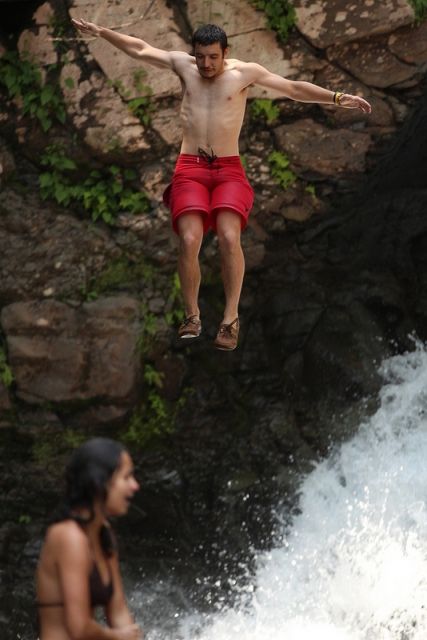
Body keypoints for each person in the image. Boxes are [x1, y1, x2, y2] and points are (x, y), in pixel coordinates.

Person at [71, 20, 372, 351]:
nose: (206, 64)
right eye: (200, 57)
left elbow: (293, 88)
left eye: (213, 57)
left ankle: (230, 318)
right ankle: (192, 314)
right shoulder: (183, 66)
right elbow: (140, 48)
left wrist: (337, 97)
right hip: (191, 167)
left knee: (230, 236)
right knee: (189, 239)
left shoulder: (244, 73)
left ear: (225, 53)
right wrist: (102, 32)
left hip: (228, 169)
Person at [36, 437, 142, 640]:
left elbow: (119, 612)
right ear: (100, 483)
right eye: (127, 477)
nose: (135, 486)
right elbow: (79, 628)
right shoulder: (68, 537)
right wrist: (118, 637)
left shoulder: (103, 533)